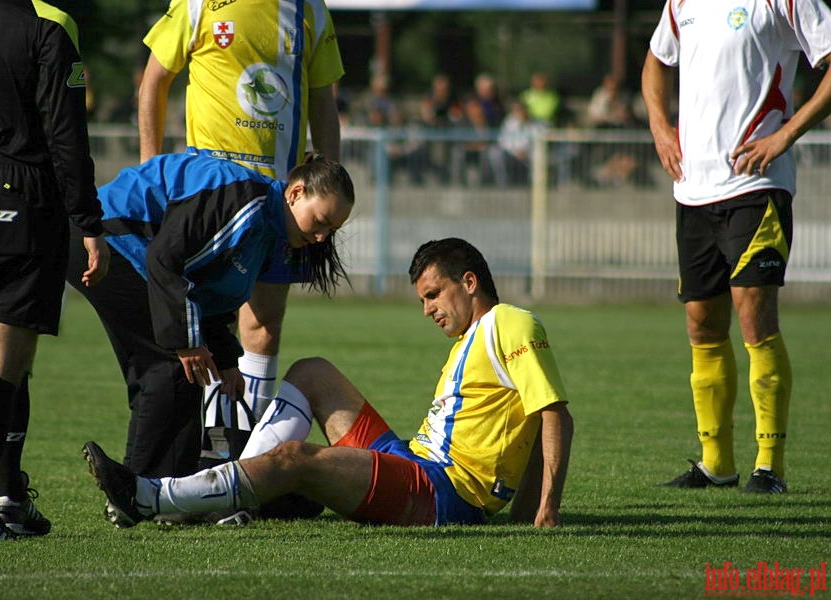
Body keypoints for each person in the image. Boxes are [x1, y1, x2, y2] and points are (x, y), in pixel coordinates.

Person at [82, 238, 574, 528]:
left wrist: (543, 509)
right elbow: (531, 420)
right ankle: (243, 494)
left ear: (469, 282)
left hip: (443, 492)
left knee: (296, 459)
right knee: (311, 371)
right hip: (418, 462)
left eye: (433, 295)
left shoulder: (510, 323)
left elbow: (552, 413)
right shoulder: (476, 337)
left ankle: (153, 498)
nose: (427, 310)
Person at [67, 153, 353, 526]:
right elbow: (165, 259)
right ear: (295, 193)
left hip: (133, 253)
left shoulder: (267, 232)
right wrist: (186, 343)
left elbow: (207, 293)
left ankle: (164, 494)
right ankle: (139, 495)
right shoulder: (243, 201)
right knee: (171, 365)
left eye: (331, 230)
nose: (321, 236)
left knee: (181, 371)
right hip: (107, 240)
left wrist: (226, 359)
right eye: (320, 222)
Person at [0, 0, 109, 540]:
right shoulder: (48, 23)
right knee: (2, 356)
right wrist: (88, 222)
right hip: (22, 191)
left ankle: (9, 494)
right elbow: (66, 131)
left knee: (14, 345)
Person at [642, 0, 831, 493]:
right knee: (702, 324)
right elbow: (656, 62)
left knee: (754, 314)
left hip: (756, 184)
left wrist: (786, 135)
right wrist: (661, 128)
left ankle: (770, 467)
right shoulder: (681, 2)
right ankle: (716, 465)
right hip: (692, 189)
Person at [137, 0, 344, 446]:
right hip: (210, 201)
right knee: (205, 320)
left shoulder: (309, 8)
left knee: (264, 325)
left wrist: (331, 180)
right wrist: (150, 167)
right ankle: (204, 449)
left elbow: (324, 100)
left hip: (282, 204)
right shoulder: (198, 4)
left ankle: (243, 457)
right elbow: (155, 78)